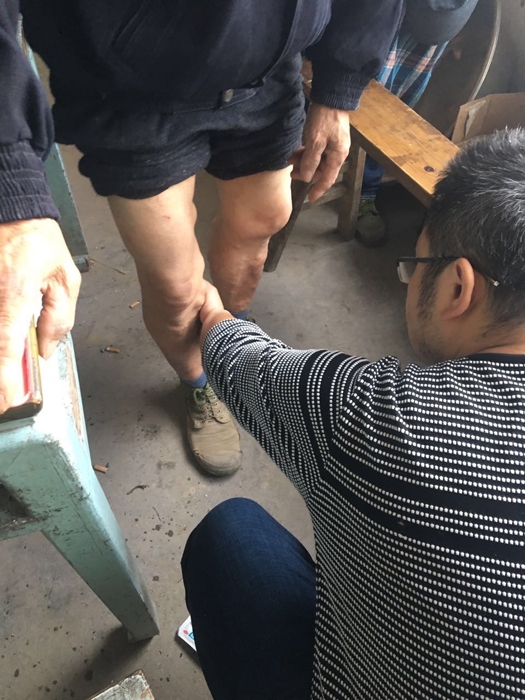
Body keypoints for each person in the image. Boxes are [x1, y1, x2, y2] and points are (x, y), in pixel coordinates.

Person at [182, 129, 525, 699]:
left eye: (416, 264)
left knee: (231, 537)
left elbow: (237, 356)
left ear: (457, 287)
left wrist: (206, 306)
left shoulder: (380, 414)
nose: (410, 277)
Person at [0, 0, 403, 476]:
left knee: (259, 231)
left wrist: (339, 89)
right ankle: (197, 385)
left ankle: (228, 348)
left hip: (266, 76)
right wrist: (12, 182)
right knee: (175, 288)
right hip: (129, 96)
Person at [357, 0, 479, 247]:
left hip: (433, 25)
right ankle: (321, 163)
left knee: (392, 110)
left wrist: (459, 28)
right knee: (360, 91)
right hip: (386, 12)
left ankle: (364, 191)